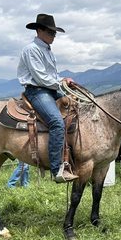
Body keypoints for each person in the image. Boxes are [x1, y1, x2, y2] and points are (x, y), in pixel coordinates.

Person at [17, 13, 79, 183]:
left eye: (54, 33)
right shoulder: (32, 50)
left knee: (79, 107)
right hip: (37, 91)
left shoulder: (47, 50)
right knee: (57, 123)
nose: (54, 36)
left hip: (50, 89)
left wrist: (63, 81)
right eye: (51, 32)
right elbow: (41, 78)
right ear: (39, 31)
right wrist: (61, 84)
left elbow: (51, 76)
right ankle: (57, 168)